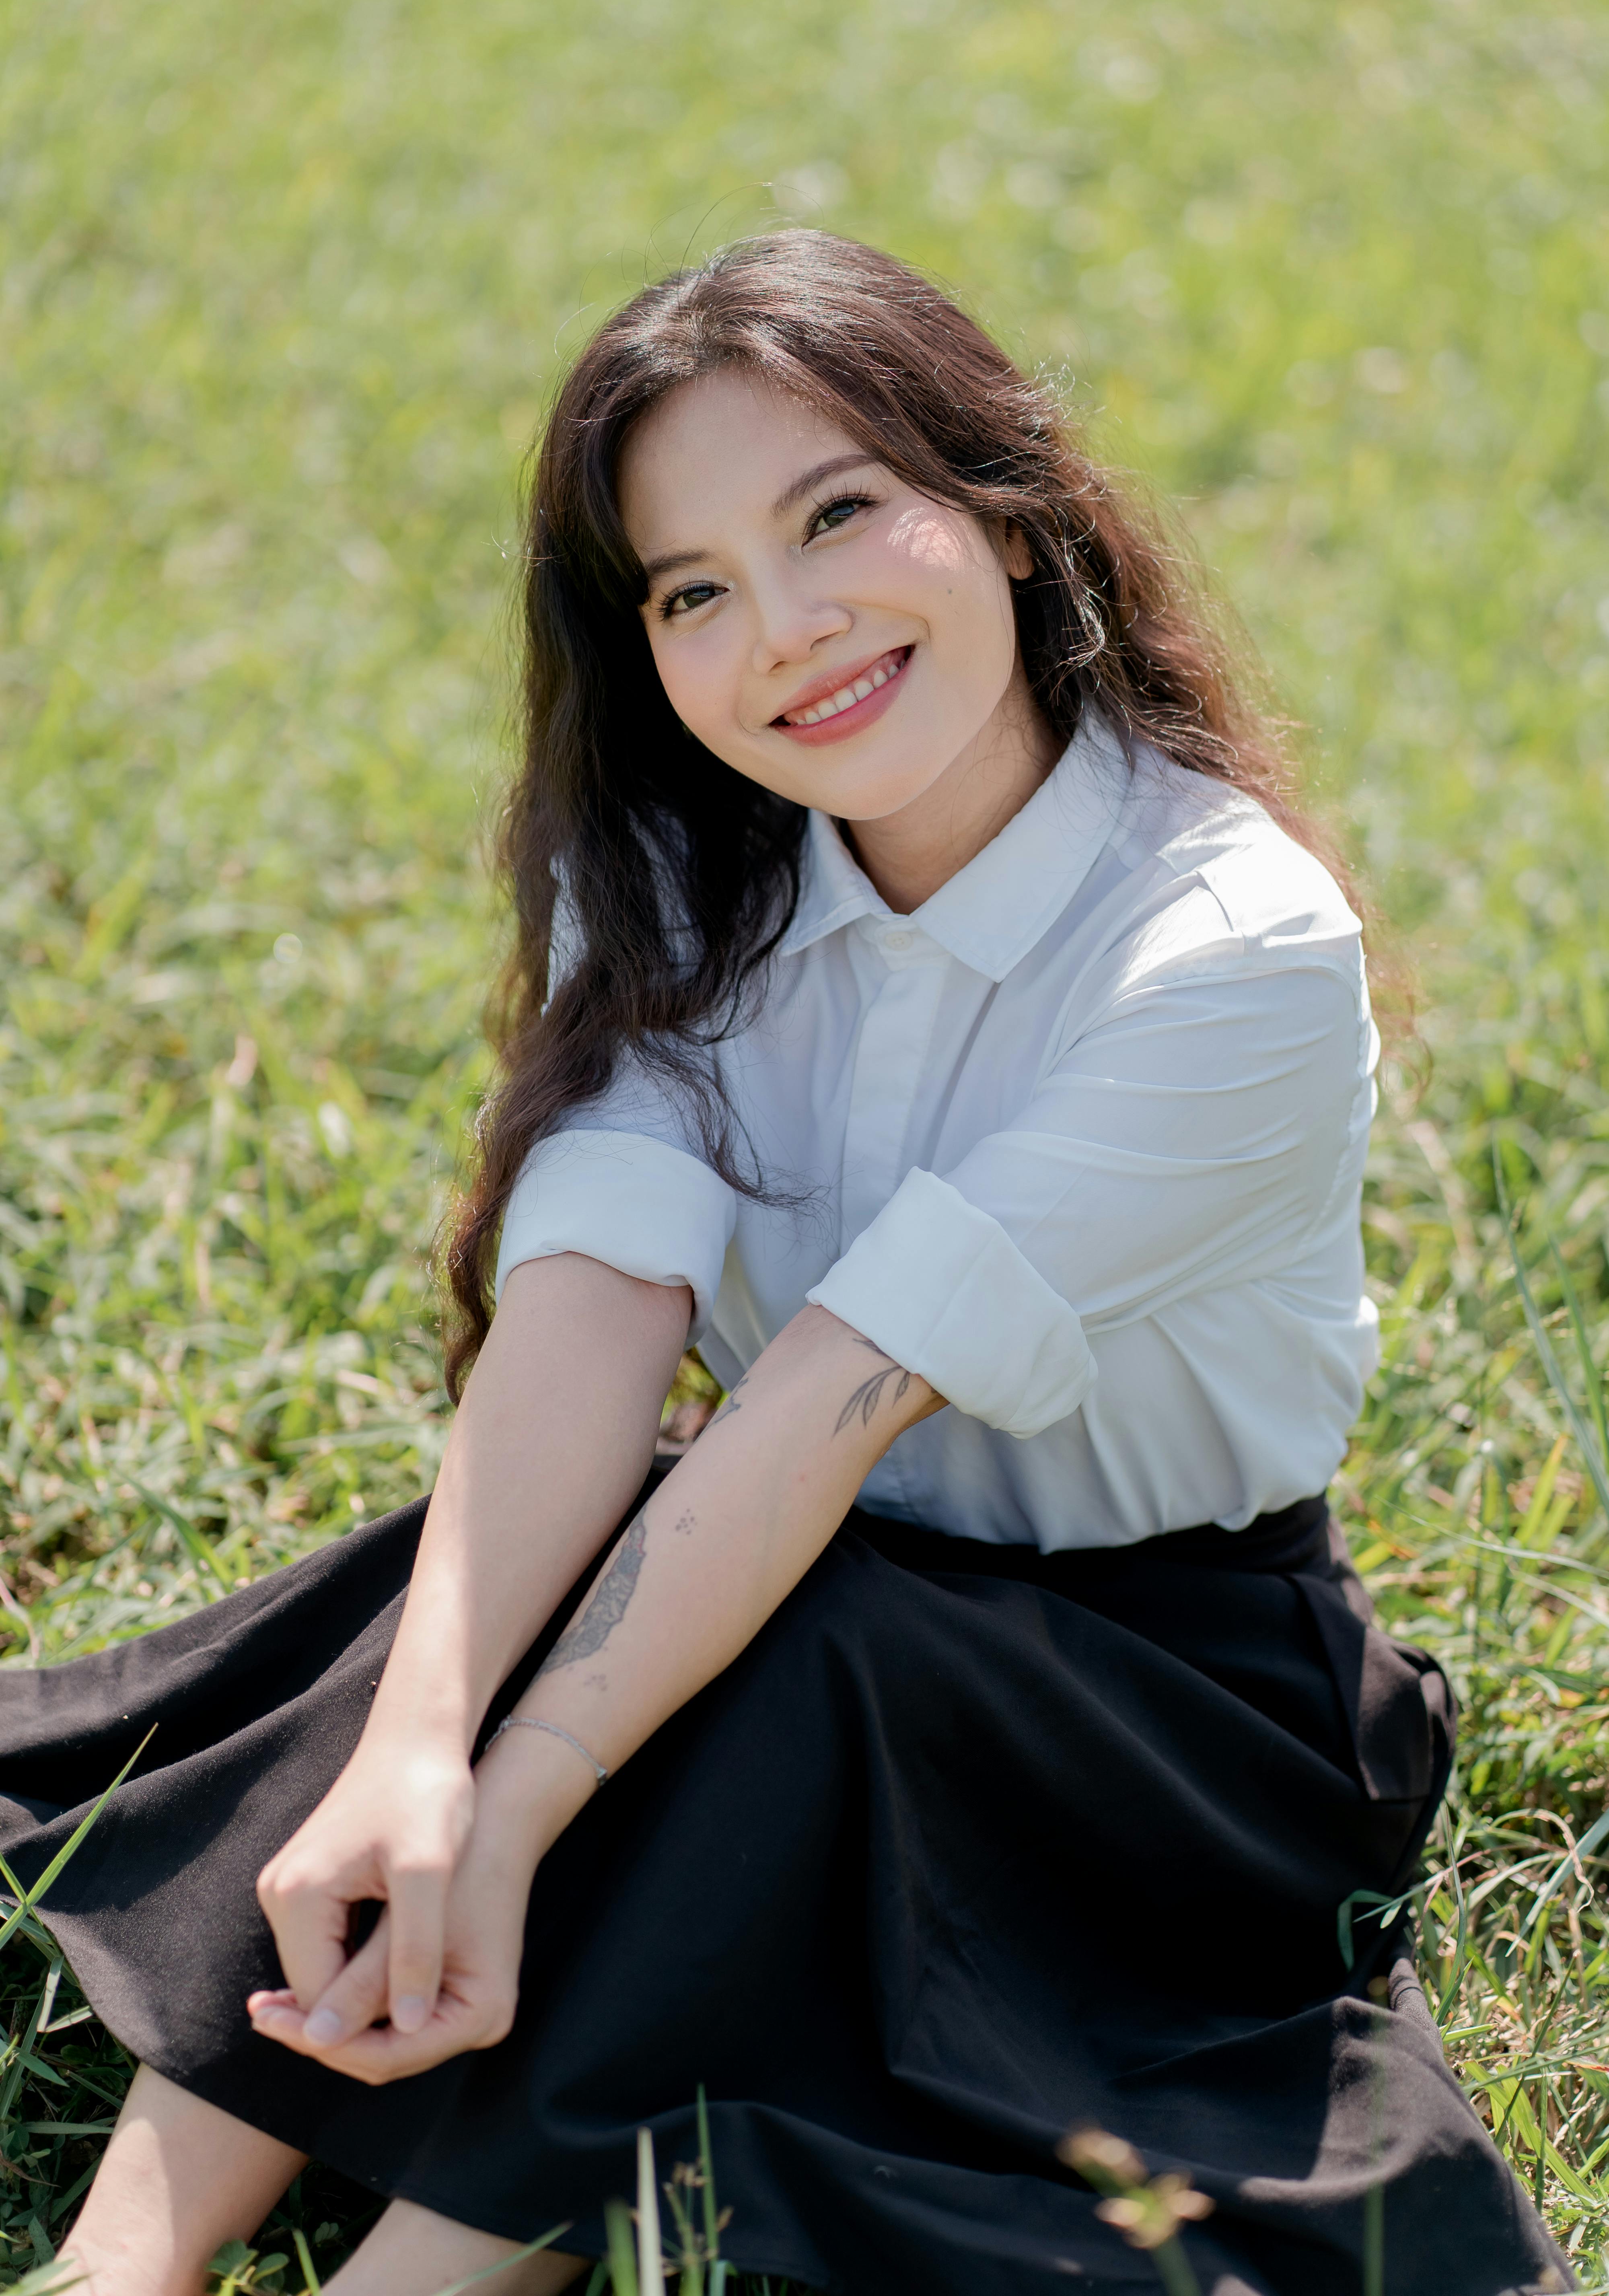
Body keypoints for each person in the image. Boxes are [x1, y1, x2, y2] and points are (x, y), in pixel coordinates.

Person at [0, 232, 1566, 2296]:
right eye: (694, 590)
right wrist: (419, 1744)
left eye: (839, 515)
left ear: (1011, 517)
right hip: (787, 1568)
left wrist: (523, 1789)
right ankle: (125, 2260)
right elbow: (589, 1318)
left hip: (1175, 1703)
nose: (790, 630)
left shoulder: (1227, 945)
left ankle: (426, 2277)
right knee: (514, 1600)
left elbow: (834, 1396)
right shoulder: (676, 873)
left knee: (753, 1682)